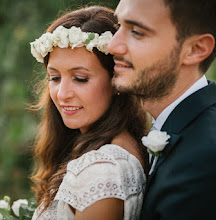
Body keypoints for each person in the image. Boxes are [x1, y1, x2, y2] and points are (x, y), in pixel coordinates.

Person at [107, 0, 216, 219]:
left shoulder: (211, 163)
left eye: (137, 32)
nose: (113, 45)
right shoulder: (170, 127)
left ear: (195, 49)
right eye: (118, 26)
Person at [29, 6, 148, 220]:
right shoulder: (103, 146)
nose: (62, 94)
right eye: (54, 78)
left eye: (80, 78)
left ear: (116, 80)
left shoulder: (103, 170)